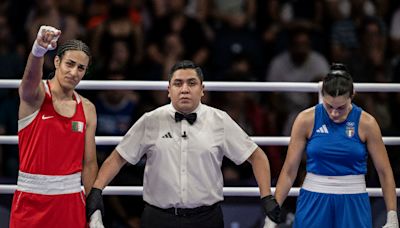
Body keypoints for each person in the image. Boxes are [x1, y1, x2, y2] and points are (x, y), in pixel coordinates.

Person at [86, 60, 281, 228]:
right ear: (169, 90)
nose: (185, 89)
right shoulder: (151, 120)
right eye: (178, 83)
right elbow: (118, 157)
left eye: (192, 83)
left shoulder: (219, 120)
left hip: (207, 218)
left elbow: (257, 156)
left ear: (202, 89)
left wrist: (266, 197)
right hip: (158, 218)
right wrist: (96, 191)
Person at [265, 63, 398, 227]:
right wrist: (273, 212)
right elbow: (289, 170)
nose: (334, 113)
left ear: (352, 96)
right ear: (322, 95)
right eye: (329, 106)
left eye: (341, 108)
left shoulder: (367, 123)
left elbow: (384, 171)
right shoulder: (306, 120)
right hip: (314, 199)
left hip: (353, 199)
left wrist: (392, 214)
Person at [9, 25, 98, 227]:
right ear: (57, 61)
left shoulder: (87, 108)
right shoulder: (36, 96)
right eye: (70, 64)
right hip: (31, 202)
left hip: (70, 201)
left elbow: (89, 163)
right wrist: (38, 51)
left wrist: (94, 208)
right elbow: (28, 83)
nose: (74, 72)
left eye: (81, 68)